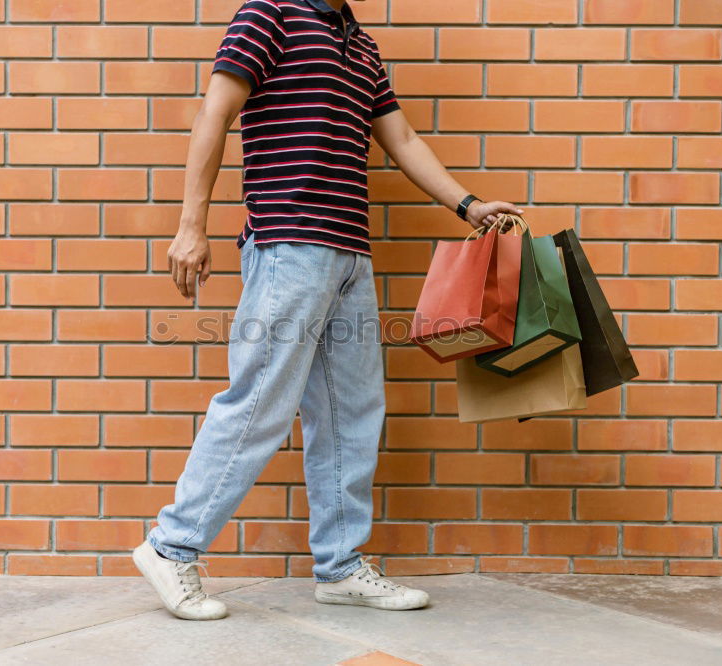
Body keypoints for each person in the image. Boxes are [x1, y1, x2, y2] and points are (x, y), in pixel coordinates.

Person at [132, 0, 524, 621]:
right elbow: (215, 113)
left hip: (349, 254)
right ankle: (171, 545)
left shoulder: (361, 44)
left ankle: (340, 566)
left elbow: (403, 138)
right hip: (289, 245)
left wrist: (467, 204)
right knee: (259, 401)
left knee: (352, 411)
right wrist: (191, 225)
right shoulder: (267, 16)